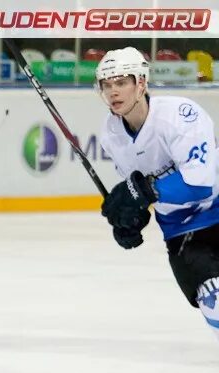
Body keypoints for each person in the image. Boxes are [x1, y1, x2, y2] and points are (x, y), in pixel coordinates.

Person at [96, 47, 219, 343]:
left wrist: (146, 192)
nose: (114, 91)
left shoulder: (180, 115)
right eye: (106, 84)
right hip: (184, 233)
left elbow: (200, 183)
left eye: (122, 82)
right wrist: (130, 220)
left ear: (142, 83)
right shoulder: (111, 134)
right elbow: (139, 193)